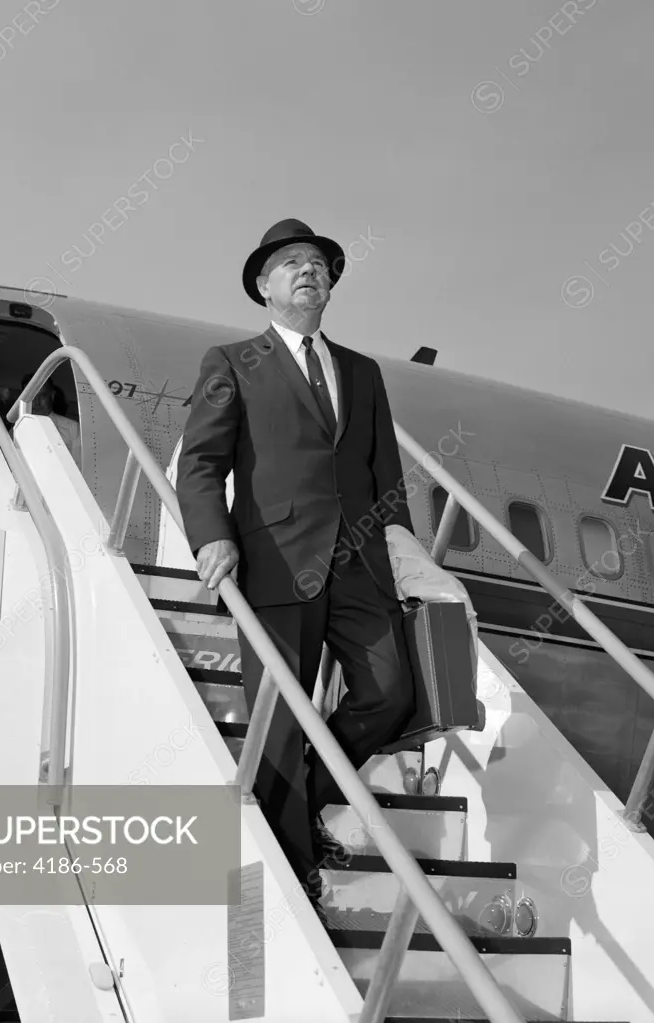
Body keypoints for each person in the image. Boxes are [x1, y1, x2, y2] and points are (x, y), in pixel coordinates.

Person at [175, 218, 415, 915]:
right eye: (290, 263)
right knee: (278, 715)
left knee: (389, 693)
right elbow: (200, 463)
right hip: (275, 560)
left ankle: (302, 797)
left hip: (359, 564)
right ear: (263, 285)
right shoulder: (231, 361)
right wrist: (210, 536)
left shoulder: (362, 372)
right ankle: (292, 872)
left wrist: (401, 550)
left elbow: (385, 477)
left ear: (330, 284)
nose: (308, 271)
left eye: (318, 263)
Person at [21, 373, 81, 464]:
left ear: (52, 396)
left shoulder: (73, 428)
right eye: (32, 397)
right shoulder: (17, 430)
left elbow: (80, 468)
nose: (37, 403)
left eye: (42, 396)